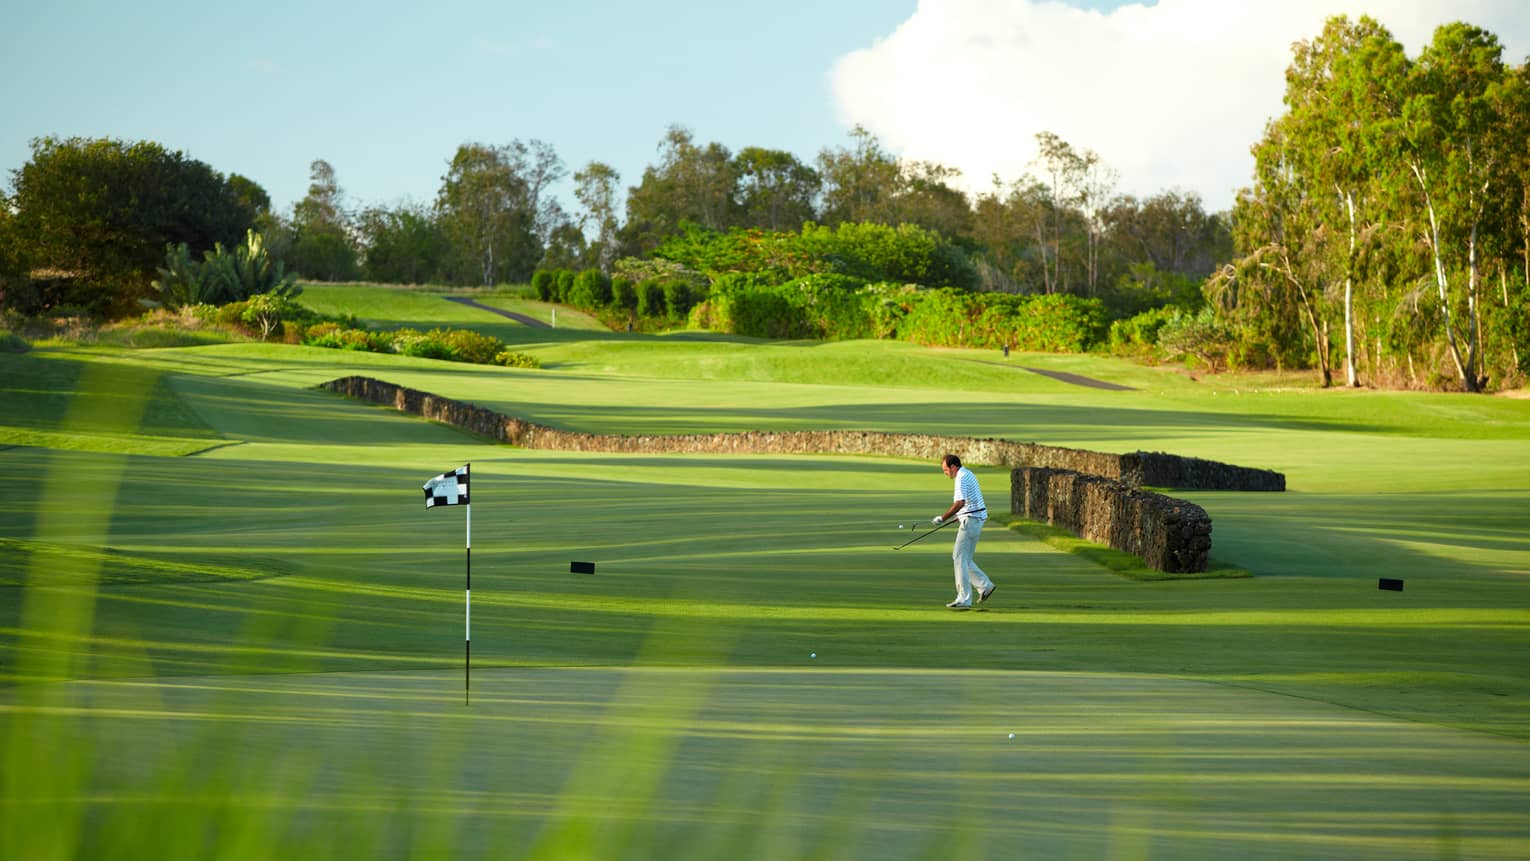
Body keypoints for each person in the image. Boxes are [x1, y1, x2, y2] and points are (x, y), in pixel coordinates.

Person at [933, 454, 995, 610]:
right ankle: (985, 586)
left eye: (946, 469)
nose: (945, 473)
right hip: (974, 519)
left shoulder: (961, 477)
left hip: (972, 520)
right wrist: (959, 516)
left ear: (953, 467)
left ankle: (964, 598)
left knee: (959, 557)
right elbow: (968, 502)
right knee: (964, 558)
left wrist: (943, 517)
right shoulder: (968, 473)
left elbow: (960, 502)